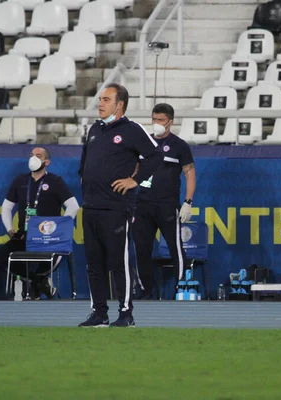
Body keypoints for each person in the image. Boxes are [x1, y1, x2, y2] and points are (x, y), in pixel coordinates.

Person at [78, 83, 163, 327]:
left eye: (106, 100)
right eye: (100, 99)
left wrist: (134, 180)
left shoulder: (132, 129)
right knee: (94, 264)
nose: (100, 104)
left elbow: (155, 156)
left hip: (116, 207)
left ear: (120, 105)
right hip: (91, 206)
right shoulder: (94, 129)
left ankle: (126, 313)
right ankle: (99, 313)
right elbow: (85, 161)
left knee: (119, 262)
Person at [133, 103, 196, 300]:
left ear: (170, 121)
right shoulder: (143, 143)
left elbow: (190, 175)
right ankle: (145, 290)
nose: (156, 124)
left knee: (175, 247)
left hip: (167, 205)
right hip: (142, 204)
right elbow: (133, 172)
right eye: (154, 119)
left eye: (160, 120)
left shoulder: (179, 145)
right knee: (141, 249)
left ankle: (182, 287)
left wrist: (188, 202)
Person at [0, 147, 79, 299]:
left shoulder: (55, 181)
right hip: (24, 235)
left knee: (47, 261)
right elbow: (6, 207)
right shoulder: (20, 181)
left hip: (47, 237)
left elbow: (73, 206)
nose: (33, 158)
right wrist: (10, 230)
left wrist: (59, 230)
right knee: (1, 256)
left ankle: (35, 284)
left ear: (47, 162)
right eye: (31, 155)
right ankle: (39, 282)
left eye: (38, 155)